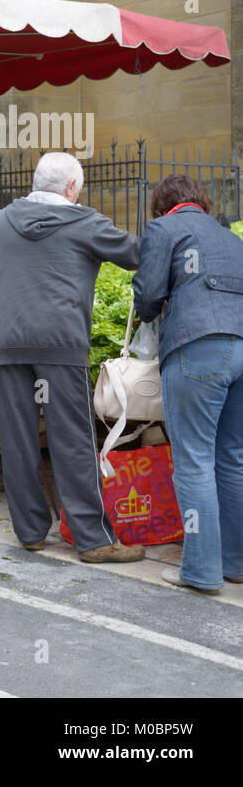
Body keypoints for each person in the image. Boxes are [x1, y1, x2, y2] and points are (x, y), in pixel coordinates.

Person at [0, 152, 144, 563]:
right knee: (73, 439)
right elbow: (136, 253)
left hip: (10, 346)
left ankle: (30, 533)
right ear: (71, 188)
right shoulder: (86, 222)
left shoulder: (1, 221)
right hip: (61, 345)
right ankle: (93, 540)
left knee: (19, 438)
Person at [132, 176, 243, 594]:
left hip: (200, 348)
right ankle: (235, 564)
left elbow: (147, 296)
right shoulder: (230, 236)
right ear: (202, 202)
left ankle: (199, 572)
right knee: (232, 458)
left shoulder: (164, 229)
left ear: (162, 206)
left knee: (194, 459)